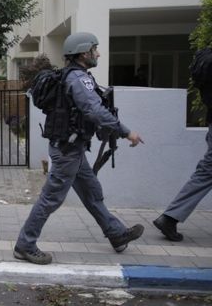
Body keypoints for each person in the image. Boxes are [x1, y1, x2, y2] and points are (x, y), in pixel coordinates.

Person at [14, 32, 145, 265]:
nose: (99, 53)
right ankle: (25, 244)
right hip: (67, 151)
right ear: (84, 52)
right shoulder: (78, 78)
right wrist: (126, 132)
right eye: (95, 49)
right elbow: (93, 110)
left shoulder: (75, 76)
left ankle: (115, 233)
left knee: (92, 192)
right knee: (50, 199)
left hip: (73, 149)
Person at [153, 48, 212, 242]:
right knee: (206, 172)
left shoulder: (205, 56)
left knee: (206, 171)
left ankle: (170, 217)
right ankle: (170, 217)